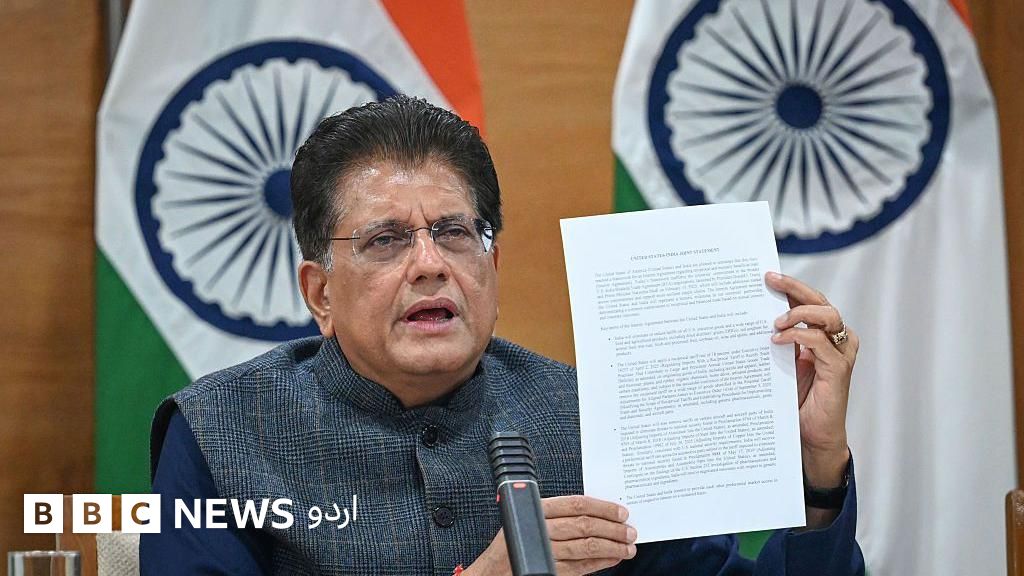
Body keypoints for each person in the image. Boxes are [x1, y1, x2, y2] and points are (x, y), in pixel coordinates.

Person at [140, 95, 864, 575]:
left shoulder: (589, 417)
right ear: (320, 293)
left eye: (455, 233)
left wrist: (818, 468)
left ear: (493, 265)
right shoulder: (220, 432)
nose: (431, 264)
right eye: (387, 240)